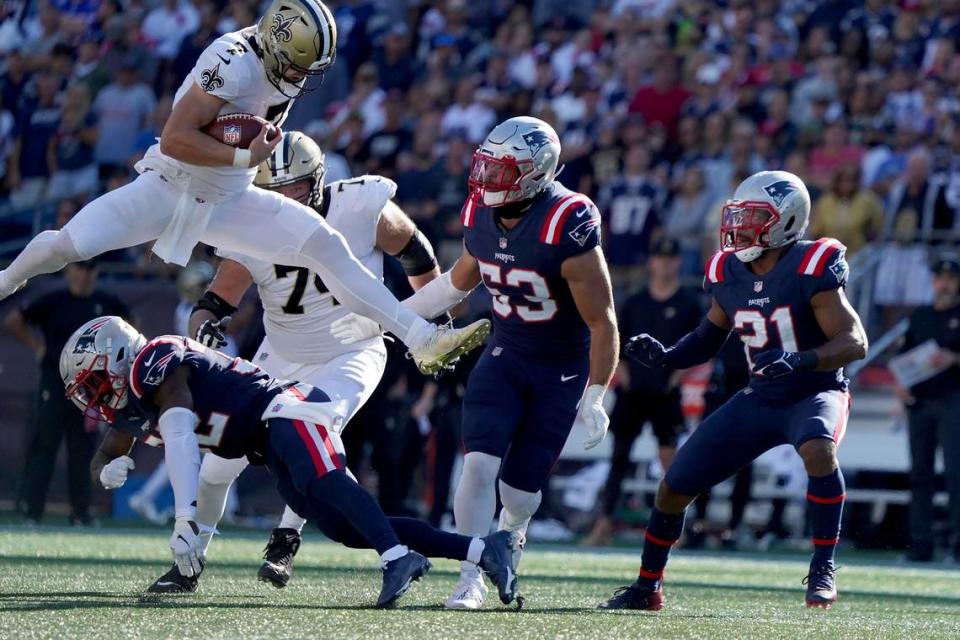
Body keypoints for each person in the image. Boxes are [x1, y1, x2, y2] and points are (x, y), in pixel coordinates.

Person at [0, 0, 490, 379]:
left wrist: (243, 166)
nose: (303, 78)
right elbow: (175, 137)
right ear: (276, 46)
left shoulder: (288, 64)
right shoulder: (231, 60)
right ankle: (6, 279)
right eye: (299, 65)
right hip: (172, 185)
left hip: (230, 197)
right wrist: (244, 157)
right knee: (68, 245)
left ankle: (421, 337)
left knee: (326, 245)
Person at [151, 131, 445, 593]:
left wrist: (434, 311)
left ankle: (287, 535)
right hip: (281, 355)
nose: (288, 199)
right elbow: (217, 299)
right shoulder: (252, 224)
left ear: (320, 180)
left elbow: (414, 250)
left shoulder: (359, 204)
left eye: (297, 187)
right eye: (277, 191)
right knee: (216, 470)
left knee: (312, 441)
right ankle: (190, 561)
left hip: (352, 351)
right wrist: (205, 328)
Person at [61, 316, 520, 609]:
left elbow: (180, 433)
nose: (97, 396)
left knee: (319, 479)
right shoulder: (133, 406)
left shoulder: (154, 361)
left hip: (287, 409)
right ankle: (484, 550)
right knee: (340, 526)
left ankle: (397, 558)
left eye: (95, 381)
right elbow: (106, 450)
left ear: (119, 356)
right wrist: (105, 472)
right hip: (264, 440)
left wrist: (184, 517)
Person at [600, 170, 868, 611]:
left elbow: (854, 341)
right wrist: (667, 356)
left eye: (753, 217)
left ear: (785, 221)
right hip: (760, 395)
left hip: (813, 391)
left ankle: (822, 567)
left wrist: (800, 359)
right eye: (738, 217)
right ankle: (647, 587)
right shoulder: (728, 271)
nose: (739, 227)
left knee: (819, 449)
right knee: (673, 486)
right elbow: (708, 338)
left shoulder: (811, 264)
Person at [402, 116, 619, 609]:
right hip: (505, 353)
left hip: (559, 369)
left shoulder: (567, 220)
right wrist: (388, 317)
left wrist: (596, 393)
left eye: (501, 171)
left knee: (518, 494)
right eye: (486, 167)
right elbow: (460, 281)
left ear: (535, 173)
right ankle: (471, 575)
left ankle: (511, 537)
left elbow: (603, 321)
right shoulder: (480, 211)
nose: (486, 180)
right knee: (476, 467)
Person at [583, 237, 701, 547]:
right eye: (660, 259)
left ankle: (678, 529)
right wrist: (623, 376)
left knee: (671, 464)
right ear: (651, 263)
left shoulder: (688, 303)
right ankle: (604, 524)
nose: (664, 265)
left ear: (677, 263)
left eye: (670, 259)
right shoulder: (636, 302)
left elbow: (700, 348)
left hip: (665, 392)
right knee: (618, 459)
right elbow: (615, 341)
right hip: (633, 392)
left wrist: (676, 378)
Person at [4, 260, 129, 525]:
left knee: (83, 448)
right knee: (44, 444)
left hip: (90, 389)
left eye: (89, 269)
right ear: (69, 270)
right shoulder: (53, 300)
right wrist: (38, 347)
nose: (83, 275)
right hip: (55, 381)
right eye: (79, 268)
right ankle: (32, 511)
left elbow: (131, 326)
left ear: (96, 272)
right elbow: (14, 320)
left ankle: (81, 512)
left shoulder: (106, 303)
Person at [899, 255, 960, 562]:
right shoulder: (920, 315)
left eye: (950, 278)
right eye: (940, 278)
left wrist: (954, 358)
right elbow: (905, 356)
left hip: (953, 399)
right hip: (921, 401)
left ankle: (957, 545)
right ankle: (919, 544)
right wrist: (900, 387)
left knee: (956, 473)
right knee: (919, 474)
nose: (945, 283)